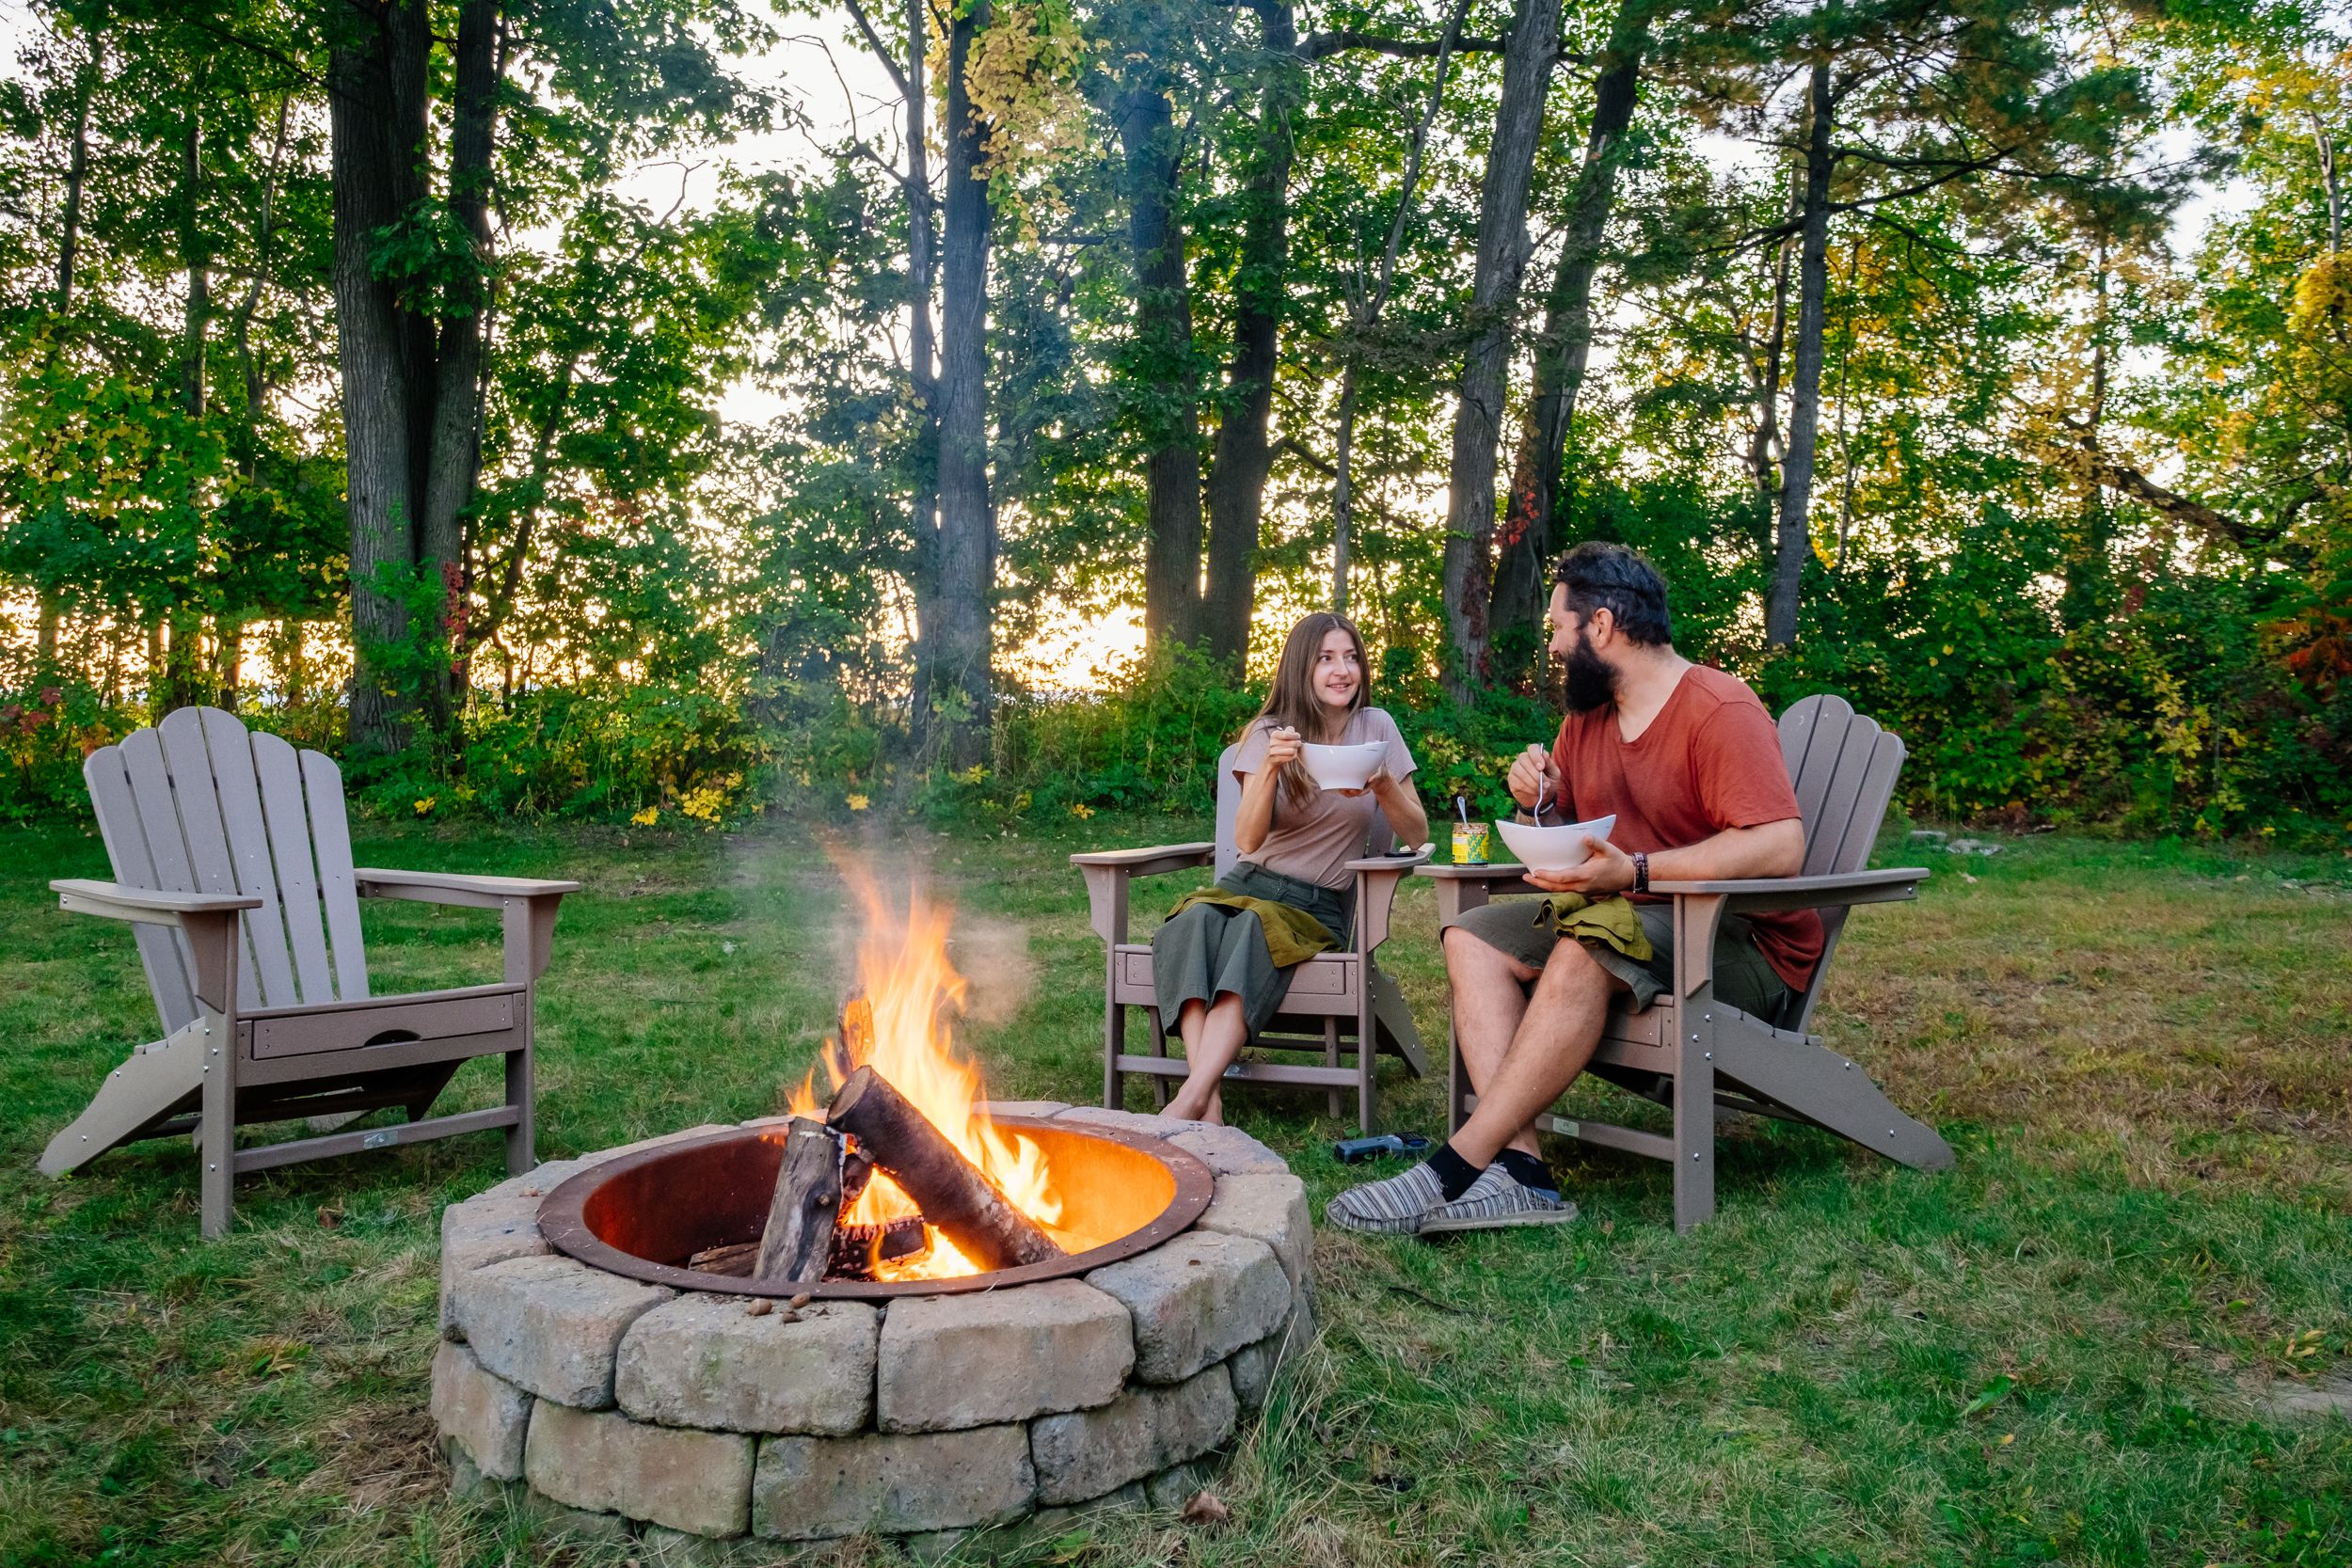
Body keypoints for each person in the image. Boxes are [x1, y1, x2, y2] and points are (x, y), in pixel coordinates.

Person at [1327, 542, 1818, 1233]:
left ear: (1603, 626)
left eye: (1559, 627)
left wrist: (1636, 871)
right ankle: (1523, 1171)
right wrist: (1539, 799)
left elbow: (1780, 844)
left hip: (1736, 942)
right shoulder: (1587, 719)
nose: (1553, 645)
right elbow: (1573, 832)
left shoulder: (1717, 708)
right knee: (1470, 936)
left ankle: (1455, 1165)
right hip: (1626, 917)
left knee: (1587, 942)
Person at [1153, 612, 1428, 1123]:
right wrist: (1270, 768)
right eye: (1326, 659)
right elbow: (1247, 840)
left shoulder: (1377, 727)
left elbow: (1417, 834)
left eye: (1351, 658)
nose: (1342, 670)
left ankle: (1190, 1099)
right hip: (1247, 884)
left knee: (1252, 932)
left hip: (1314, 905)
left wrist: (1383, 783)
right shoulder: (1269, 733)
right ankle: (1207, 1100)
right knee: (1190, 925)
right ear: (1301, 667)